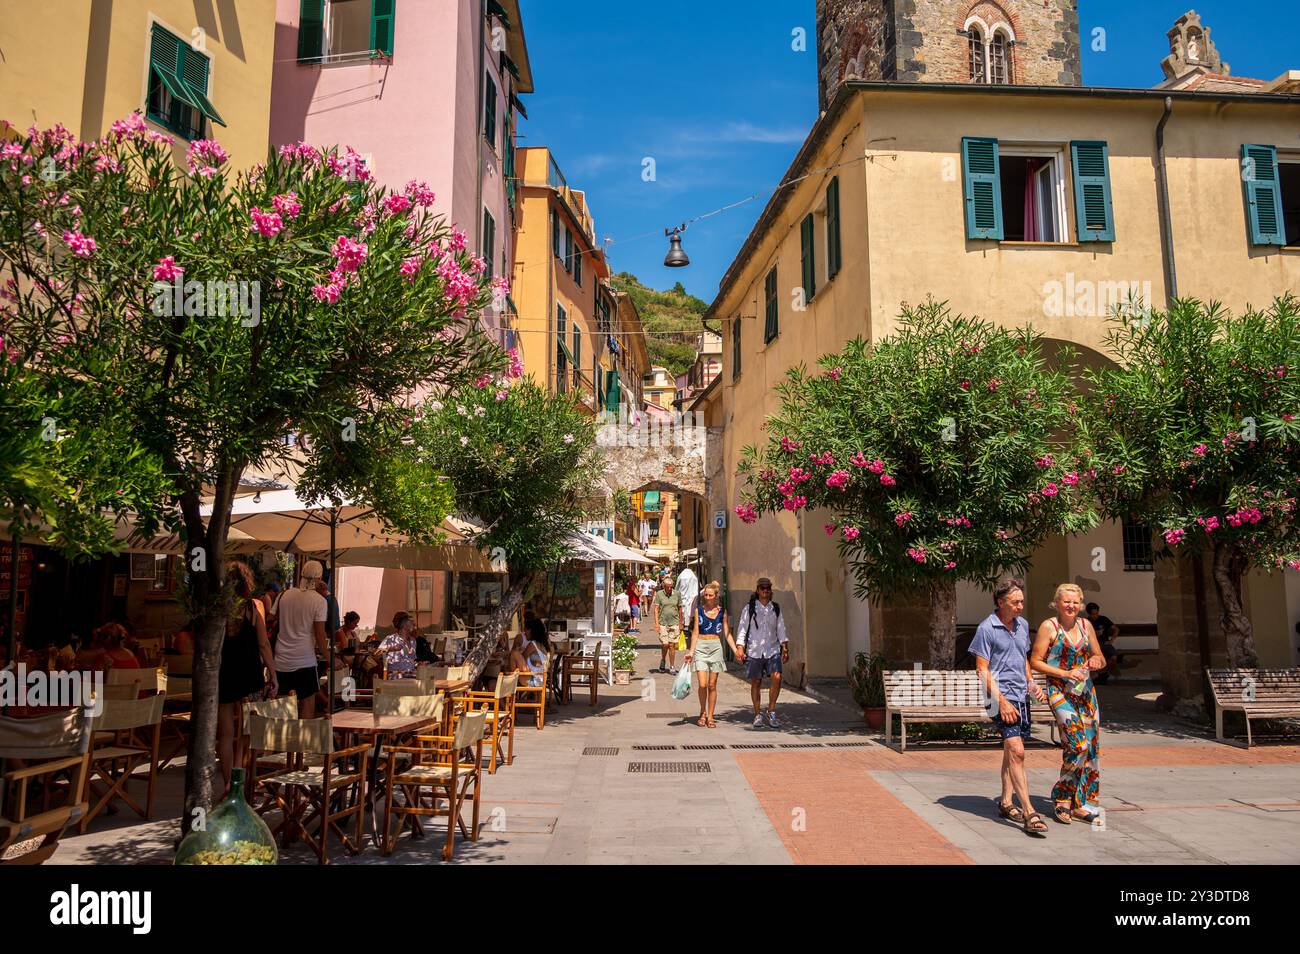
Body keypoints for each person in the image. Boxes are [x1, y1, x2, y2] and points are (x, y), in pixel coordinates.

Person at [970, 578, 1050, 837]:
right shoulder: (987, 628)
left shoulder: (1023, 625)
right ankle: (1029, 812)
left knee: (1010, 750)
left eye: (1022, 602)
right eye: (1015, 602)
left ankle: (1005, 802)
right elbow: (982, 670)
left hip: (1020, 695)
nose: (1020, 606)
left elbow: (1024, 659)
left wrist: (1031, 683)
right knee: (1017, 750)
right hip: (998, 696)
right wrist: (1002, 701)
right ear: (1001, 602)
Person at [1031, 583, 1106, 825]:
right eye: (1066, 602)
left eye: (1075, 602)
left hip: (1085, 694)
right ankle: (1062, 797)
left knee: (1091, 749)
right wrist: (1064, 674)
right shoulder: (1048, 627)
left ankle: (1081, 803)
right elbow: (1035, 661)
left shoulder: (1086, 626)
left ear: (1081, 604)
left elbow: (1100, 656)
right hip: (1059, 691)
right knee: (1078, 744)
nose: (1071, 606)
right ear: (1057, 603)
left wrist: (1095, 661)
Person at [217, 561, 277, 793]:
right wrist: (273, 673)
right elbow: (263, 644)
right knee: (246, 731)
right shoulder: (254, 607)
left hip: (225, 673)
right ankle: (238, 780)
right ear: (246, 583)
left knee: (225, 733)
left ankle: (226, 784)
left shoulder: (220, 608)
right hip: (249, 673)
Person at [274, 560, 329, 718]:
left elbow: (273, 618)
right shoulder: (320, 602)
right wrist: (329, 658)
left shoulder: (284, 595)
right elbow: (320, 635)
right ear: (319, 579)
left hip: (281, 658)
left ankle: (281, 740)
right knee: (307, 704)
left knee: (282, 706)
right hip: (304, 659)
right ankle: (302, 743)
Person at [735, 577, 789, 728]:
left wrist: (784, 646)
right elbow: (743, 628)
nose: (765, 591)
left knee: (777, 677)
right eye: (762, 588)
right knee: (756, 682)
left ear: (770, 591)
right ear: (758, 590)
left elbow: (781, 628)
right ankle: (757, 713)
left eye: (768, 588)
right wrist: (740, 646)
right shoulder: (750, 608)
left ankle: (771, 711)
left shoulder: (775, 608)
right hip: (755, 649)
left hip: (772, 648)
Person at [684, 580, 738, 728]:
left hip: (715, 647)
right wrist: (691, 651)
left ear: (716, 596)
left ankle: (711, 715)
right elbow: (695, 632)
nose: (707, 597)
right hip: (701, 645)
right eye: (705, 595)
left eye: (710, 595)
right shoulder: (698, 611)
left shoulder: (722, 612)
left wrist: (736, 650)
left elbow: (727, 634)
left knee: (712, 685)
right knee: (702, 684)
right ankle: (702, 712)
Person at [651, 574, 682, 675]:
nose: (669, 588)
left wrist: (681, 623)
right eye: (667, 586)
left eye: (671, 586)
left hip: (674, 622)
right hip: (663, 622)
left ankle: (672, 666)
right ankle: (663, 660)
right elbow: (656, 609)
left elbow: (680, 609)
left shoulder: (677, 594)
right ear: (663, 586)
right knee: (665, 644)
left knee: (672, 645)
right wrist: (656, 624)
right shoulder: (659, 594)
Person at [377, 611, 418, 677]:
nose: (414, 624)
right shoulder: (391, 639)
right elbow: (377, 653)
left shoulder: (413, 641)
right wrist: (392, 648)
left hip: (411, 674)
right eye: (411, 622)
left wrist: (418, 664)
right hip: (396, 676)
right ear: (405, 624)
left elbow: (410, 660)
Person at [675, 562, 699, 644]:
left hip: (682, 599)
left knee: (681, 617)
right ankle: (691, 631)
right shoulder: (693, 576)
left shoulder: (681, 576)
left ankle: (681, 631)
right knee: (692, 616)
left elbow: (677, 588)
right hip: (693, 599)